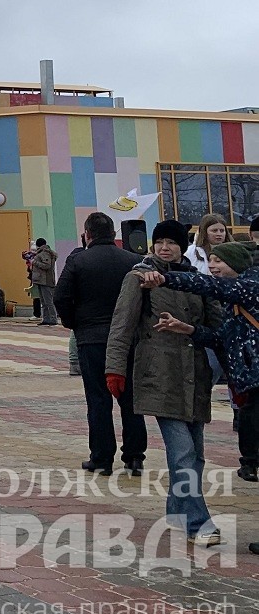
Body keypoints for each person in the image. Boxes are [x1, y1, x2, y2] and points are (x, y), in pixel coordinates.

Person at [107, 220, 224, 546]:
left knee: (196, 454)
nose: (164, 248)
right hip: (159, 376)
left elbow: (218, 331)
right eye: (159, 242)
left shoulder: (198, 281)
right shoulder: (139, 278)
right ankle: (198, 523)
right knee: (183, 452)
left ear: (181, 246)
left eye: (171, 242)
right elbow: (121, 326)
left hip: (196, 378)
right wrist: (114, 369)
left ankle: (176, 510)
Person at [139, 242, 259, 490]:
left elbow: (207, 285)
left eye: (218, 262)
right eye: (211, 261)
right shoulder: (235, 300)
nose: (212, 267)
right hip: (251, 383)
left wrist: (165, 278)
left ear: (235, 265)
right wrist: (188, 329)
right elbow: (222, 338)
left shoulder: (249, 286)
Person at [53, 211, 148, 476]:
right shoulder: (134, 260)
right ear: (115, 235)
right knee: (130, 399)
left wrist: (74, 323)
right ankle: (134, 456)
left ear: (87, 235)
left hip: (91, 339)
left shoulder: (78, 261)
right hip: (128, 339)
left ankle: (102, 458)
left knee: (98, 400)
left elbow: (61, 297)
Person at [25, 240, 59, 326]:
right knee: (43, 301)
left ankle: (53, 319)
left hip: (46, 280)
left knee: (48, 301)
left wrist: (34, 262)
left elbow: (47, 265)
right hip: (41, 280)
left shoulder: (44, 253)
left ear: (38, 245)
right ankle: (46, 319)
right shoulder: (41, 253)